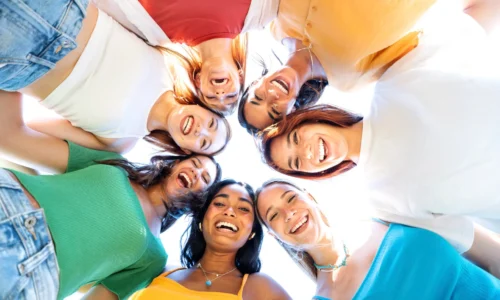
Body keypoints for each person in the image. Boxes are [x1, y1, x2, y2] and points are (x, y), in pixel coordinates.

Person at [256, 2, 500, 257]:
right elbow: (482, 249)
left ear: (311, 120)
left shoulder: (394, 80)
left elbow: (473, 26)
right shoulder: (382, 203)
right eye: (297, 163)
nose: (305, 152)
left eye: (296, 138)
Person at [0, 92, 222, 299]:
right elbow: (10, 137)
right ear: (176, 163)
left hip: (30, 269)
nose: (196, 173)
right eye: (195, 163)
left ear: (199, 202)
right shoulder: (114, 164)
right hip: (8, 200)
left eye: (204, 179)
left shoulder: (154, 258)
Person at [0, 1, 231, 155]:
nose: (200, 129)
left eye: (203, 143)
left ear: (186, 150)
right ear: (203, 107)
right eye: (211, 123)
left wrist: (11, 78)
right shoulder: (172, 61)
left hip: (19, 61)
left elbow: (17, 132)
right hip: (61, 8)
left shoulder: (119, 143)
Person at [255, 180, 500, 299]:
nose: (289, 214)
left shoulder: (388, 215)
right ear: (274, 235)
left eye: (290, 199)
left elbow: (487, 251)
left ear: (309, 197)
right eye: (274, 215)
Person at [238, 0, 438, 132]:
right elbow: (416, 42)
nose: (271, 96)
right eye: (275, 111)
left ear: (256, 82)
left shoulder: (276, 25)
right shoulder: (352, 79)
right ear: (292, 112)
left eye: (258, 97)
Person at [92, 0, 280, 114]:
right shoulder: (262, 11)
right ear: (240, 76)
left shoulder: (151, 30)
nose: (220, 94)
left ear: (198, 81)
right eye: (231, 95)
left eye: (211, 97)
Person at [130, 179, 291, 300]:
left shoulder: (261, 287)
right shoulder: (160, 271)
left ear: (252, 233)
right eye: (220, 203)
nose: (229, 211)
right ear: (201, 220)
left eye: (243, 208)